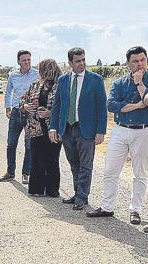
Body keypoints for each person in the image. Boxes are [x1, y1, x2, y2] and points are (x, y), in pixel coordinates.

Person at [87, 46, 148, 225]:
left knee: (140, 173)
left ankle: (135, 210)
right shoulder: (118, 83)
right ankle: (107, 207)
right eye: (135, 61)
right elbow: (112, 105)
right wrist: (137, 106)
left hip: (143, 131)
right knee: (110, 170)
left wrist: (139, 83)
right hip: (120, 130)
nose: (139, 64)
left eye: (142, 60)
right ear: (128, 63)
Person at [49, 47, 107, 210]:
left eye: (83, 60)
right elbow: (57, 105)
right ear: (70, 63)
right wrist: (53, 127)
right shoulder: (63, 80)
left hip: (86, 129)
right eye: (77, 61)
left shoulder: (95, 79)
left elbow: (102, 107)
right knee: (73, 162)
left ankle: (82, 196)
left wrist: (100, 130)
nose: (82, 64)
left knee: (85, 164)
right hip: (67, 128)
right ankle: (78, 193)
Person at [20, 59, 62, 197]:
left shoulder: (60, 85)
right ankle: (36, 189)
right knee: (37, 158)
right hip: (35, 127)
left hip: (53, 128)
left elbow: (64, 107)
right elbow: (23, 99)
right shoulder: (35, 85)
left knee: (52, 159)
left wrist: (50, 113)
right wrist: (25, 106)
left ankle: (52, 190)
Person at [0, 50, 39, 184]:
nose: (27, 62)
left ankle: (26, 173)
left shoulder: (37, 74)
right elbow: (8, 91)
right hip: (16, 112)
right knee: (11, 144)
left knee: (29, 146)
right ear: (18, 62)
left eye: (29, 59)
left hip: (31, 113)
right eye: (24, 60)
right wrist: (8, 107)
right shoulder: (13, 75)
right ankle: (10, 172)